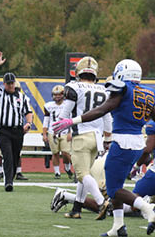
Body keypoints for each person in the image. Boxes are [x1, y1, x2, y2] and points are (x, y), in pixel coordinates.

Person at [53, 59, 155, 236]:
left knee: (114, 189)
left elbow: (102, 110)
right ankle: (118, 226)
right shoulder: (149, 93)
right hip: (138, 142)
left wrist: (73, 120)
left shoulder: (123, 89)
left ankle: (148, 209)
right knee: (116, 184)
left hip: (122, 142)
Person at [54, 56, 113, 220]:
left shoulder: (73, 87)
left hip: (81, 136)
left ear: (78, 74)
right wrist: (108, 139)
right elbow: (107, 118)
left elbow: (65, 113)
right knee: (84, 174)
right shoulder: (104, 91)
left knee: (82, 174)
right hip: (97, 138)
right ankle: (76, 208)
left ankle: (102, 202)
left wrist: (58, 128)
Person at [0, 52, 33, 192]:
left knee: (15, 156)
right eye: (8, 83)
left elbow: (28, 112)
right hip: (3, 130)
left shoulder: (22, 96)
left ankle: (11, 177)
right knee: (7, 155)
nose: (10, 85)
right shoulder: (0, 93)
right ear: (4, 84)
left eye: (11, 83)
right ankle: (8, 182)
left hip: (17, 130)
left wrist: (28, 124)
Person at [42, 85, 73, 179]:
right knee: (55, 153)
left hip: (65, 131)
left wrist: (70, 132)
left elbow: (71, 119)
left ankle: (67, 168)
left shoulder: (68, 105)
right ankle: (57, 173)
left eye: (59, 94)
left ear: (63, 95)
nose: (57, 97)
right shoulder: (49, 106)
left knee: (66, 153)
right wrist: (44, 133)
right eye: (55, 95)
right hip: (53, 132)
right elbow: (46, 120)